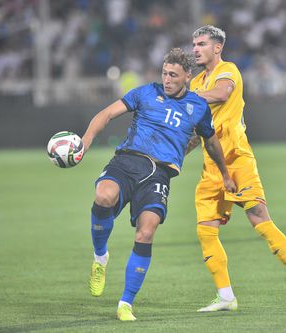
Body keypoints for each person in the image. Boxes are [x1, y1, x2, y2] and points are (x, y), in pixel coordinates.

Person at [81, 48, 236, 321]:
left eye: (173, 75)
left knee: (146, 232)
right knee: (103, 196)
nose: (167, 79)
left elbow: (210, 142)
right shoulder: (144, 93)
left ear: (187, 76)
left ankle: (125, 303)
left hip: (159, 175)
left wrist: (225, 174)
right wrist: (85, 141)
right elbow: (105, 114)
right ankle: (100, 256)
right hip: (128, 161)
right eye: (164, 73)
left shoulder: (198, 107)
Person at [187, 25, 286, 312]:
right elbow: (198, 133)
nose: (195, 48)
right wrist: (173, 154)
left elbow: (222, 94)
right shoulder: (196, 83)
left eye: (202, 44)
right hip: (211, 166)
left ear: (217, 47)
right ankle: (225, 296)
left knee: (260, 219)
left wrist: (183, 98)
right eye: (194, 44)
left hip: (237, 160)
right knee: (205, 231)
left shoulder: (228, 71)